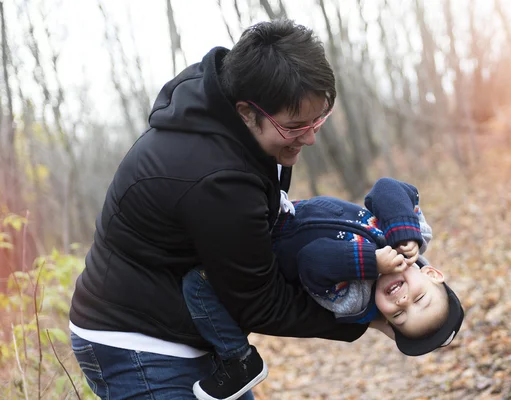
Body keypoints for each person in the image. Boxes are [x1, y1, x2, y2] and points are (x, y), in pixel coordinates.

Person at [69, 20, 387, 400]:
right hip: (135, 342)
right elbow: (260, 301)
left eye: (319, 118)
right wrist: (367, 317)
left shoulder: (231, 115)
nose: (311, 136)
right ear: (247, 112)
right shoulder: (218, 179)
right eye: (294, 127)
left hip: (190, 325)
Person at [187, 177, 464, 400]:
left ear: (385, 316)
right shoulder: (415, 235)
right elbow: (385, 188)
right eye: (419, 298)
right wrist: (403, 232)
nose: (403, 301)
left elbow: (311, 261)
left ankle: (238, 358)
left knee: (196, 283)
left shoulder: (354, 298)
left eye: (400, 315)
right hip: (277, 211)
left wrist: (370, 262)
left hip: (260, 249)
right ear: (432, 273)